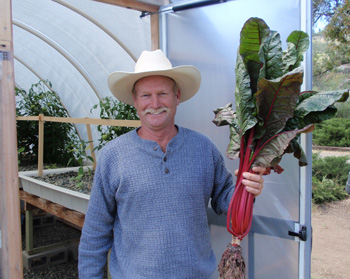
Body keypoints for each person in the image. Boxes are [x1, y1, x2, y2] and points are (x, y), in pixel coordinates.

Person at [78, 49, 265, 279]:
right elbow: (95, 234)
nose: (154, 103)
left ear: (177, 96)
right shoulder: (113, 156)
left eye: (163, 93)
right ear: (135, 101)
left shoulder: (203, 148)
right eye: (146, 95)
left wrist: (248, 189)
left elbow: (226, 202)